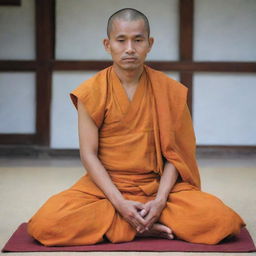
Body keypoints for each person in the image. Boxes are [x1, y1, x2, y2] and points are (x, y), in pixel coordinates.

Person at [27, 8, 245, 246]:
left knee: (221, 221)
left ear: (149, 44)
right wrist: (120, 204)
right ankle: (140, 225)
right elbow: (88, 154)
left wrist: (160, 201)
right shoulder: (92, 92)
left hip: (158, 187)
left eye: (138, 40)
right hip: (105, 188)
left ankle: (141, 218)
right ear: (107, 44)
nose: (129, 48)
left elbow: (176, 154)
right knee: (46, 223)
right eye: (121, 40)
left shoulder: (169, 91)